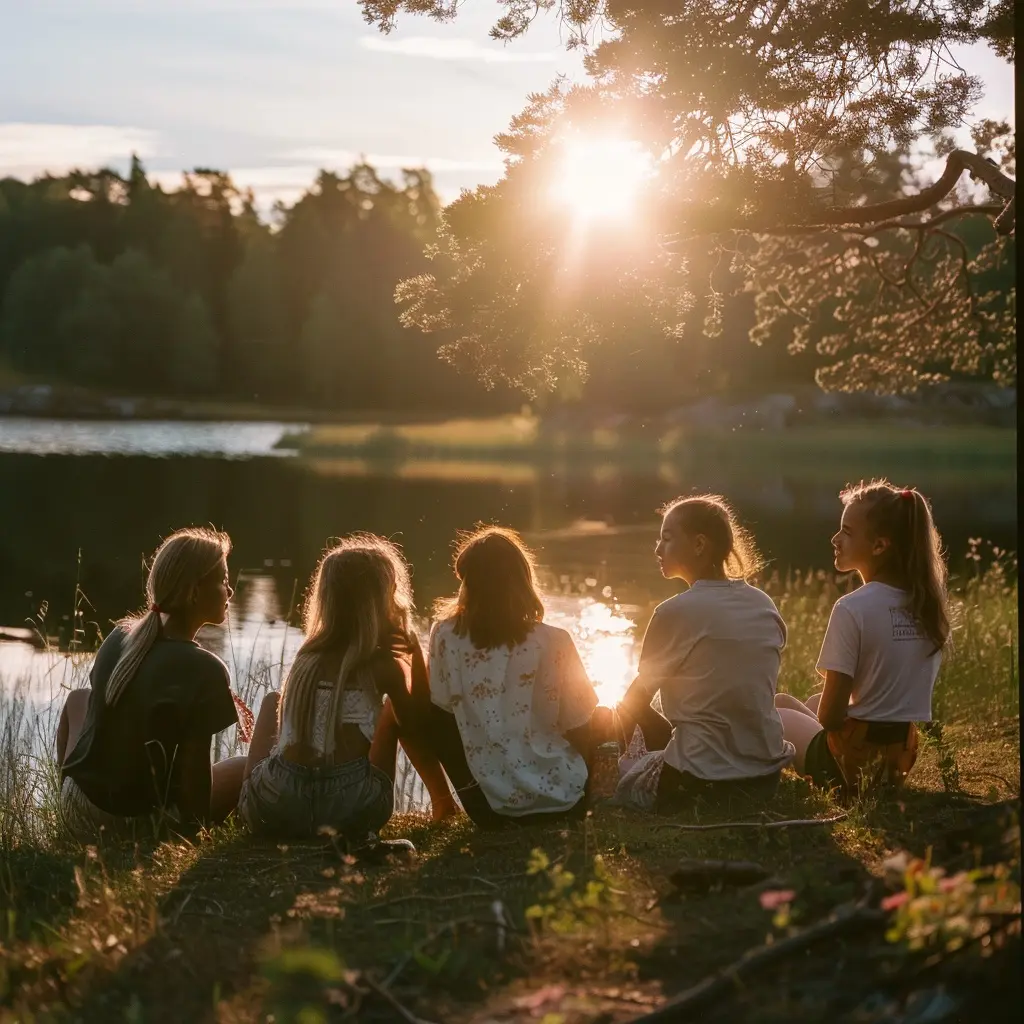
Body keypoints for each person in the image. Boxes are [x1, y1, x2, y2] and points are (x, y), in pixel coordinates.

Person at [238, 535, 457, 845]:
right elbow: (416, 721)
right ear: (381, 603)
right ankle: (442, 802)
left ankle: (252, 798)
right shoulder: (383, 667)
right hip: (351, 811)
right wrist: (417, 655)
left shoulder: (307, 657)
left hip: (277, 808)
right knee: (394, 711)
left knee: (272, 700)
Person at [57, 527, 245, 842]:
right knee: (241, 767)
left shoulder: (120, 636)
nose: (230, 591)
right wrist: (194, 836)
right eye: (223, 581)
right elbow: (195, 774)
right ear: (195, 592)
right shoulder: (205, 669)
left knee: (79, 699)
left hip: (75, 805)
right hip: (126, 827)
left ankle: (69, 829)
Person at [614, 495, 794, 813]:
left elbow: (634, 704)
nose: (657, 549)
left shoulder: (674, 612)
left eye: (667, 539)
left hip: (699, 781)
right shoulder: (763, 602)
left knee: (619, 725)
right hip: (764, 779)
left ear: (699, 544)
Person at [775, 481, 950, 795]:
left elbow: (829, 717)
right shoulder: (926, 605)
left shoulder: (852, 608)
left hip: (851, 762)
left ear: (879, 545)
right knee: (789, 701)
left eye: (846, 531)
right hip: (899, 757)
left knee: (772, 712)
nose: (835, 538)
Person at [425, 526, 605, 828]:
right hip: (564, 800)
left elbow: (441, 716)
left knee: (437, 719)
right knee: (603, 716)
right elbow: (579, 725)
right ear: (523, 582)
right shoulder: (555, 640)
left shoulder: (445, 635)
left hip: (488, 808)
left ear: (469, 583)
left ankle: (453, 801)